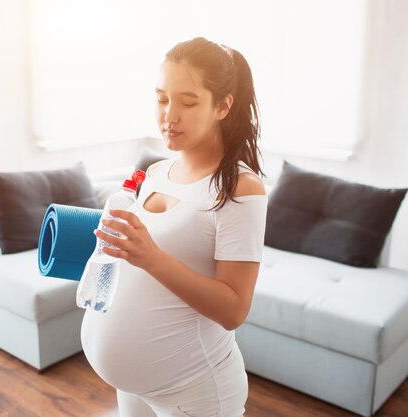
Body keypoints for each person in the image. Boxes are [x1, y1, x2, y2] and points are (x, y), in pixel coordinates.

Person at [81, 37, 268, 417]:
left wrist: (150, 257)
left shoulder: (239, 188)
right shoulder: (155, 172)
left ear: (223, 106)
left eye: (188, 101)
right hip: (132, 384)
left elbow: (234, 309)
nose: (170, 115)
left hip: (194, 390)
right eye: (162, 98)